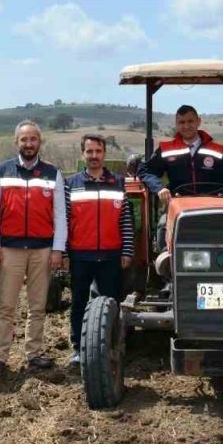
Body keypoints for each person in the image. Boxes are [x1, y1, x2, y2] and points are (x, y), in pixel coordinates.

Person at [0, 120, 67, 372]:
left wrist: (58, 249)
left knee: (37, 306)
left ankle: (34, 354)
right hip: (9, 249)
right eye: (24, 139)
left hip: (42, 250)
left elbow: (60, 215)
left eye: (33, 139)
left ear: (39, 142)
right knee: (6, 306)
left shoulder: (52, 173)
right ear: (16, 142)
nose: (28, 144)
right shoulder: (2, 170)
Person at [64, 134, 134, 366]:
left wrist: (127, 251)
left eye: (98, 151)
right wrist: (64, 253)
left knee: (111, 303)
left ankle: (111, 347)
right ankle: (78, 348)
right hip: (80, 255)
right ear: (83, 154)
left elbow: (125, 220)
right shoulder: (70, 184)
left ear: (104, 153)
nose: (94, 156)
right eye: (89, 151)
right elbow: (64, 221)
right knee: (79, 304)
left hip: (110, 255)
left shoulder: (118, 182)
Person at [137, 104, 223, 201]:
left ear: (198, 121)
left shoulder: (218, 150)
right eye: (182, 122)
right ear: (176, 124)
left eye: (190, 121)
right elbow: (146, 171)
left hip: (211, 204)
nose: (186, 126)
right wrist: (159, 188)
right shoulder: (166, 149)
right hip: (178, 202)